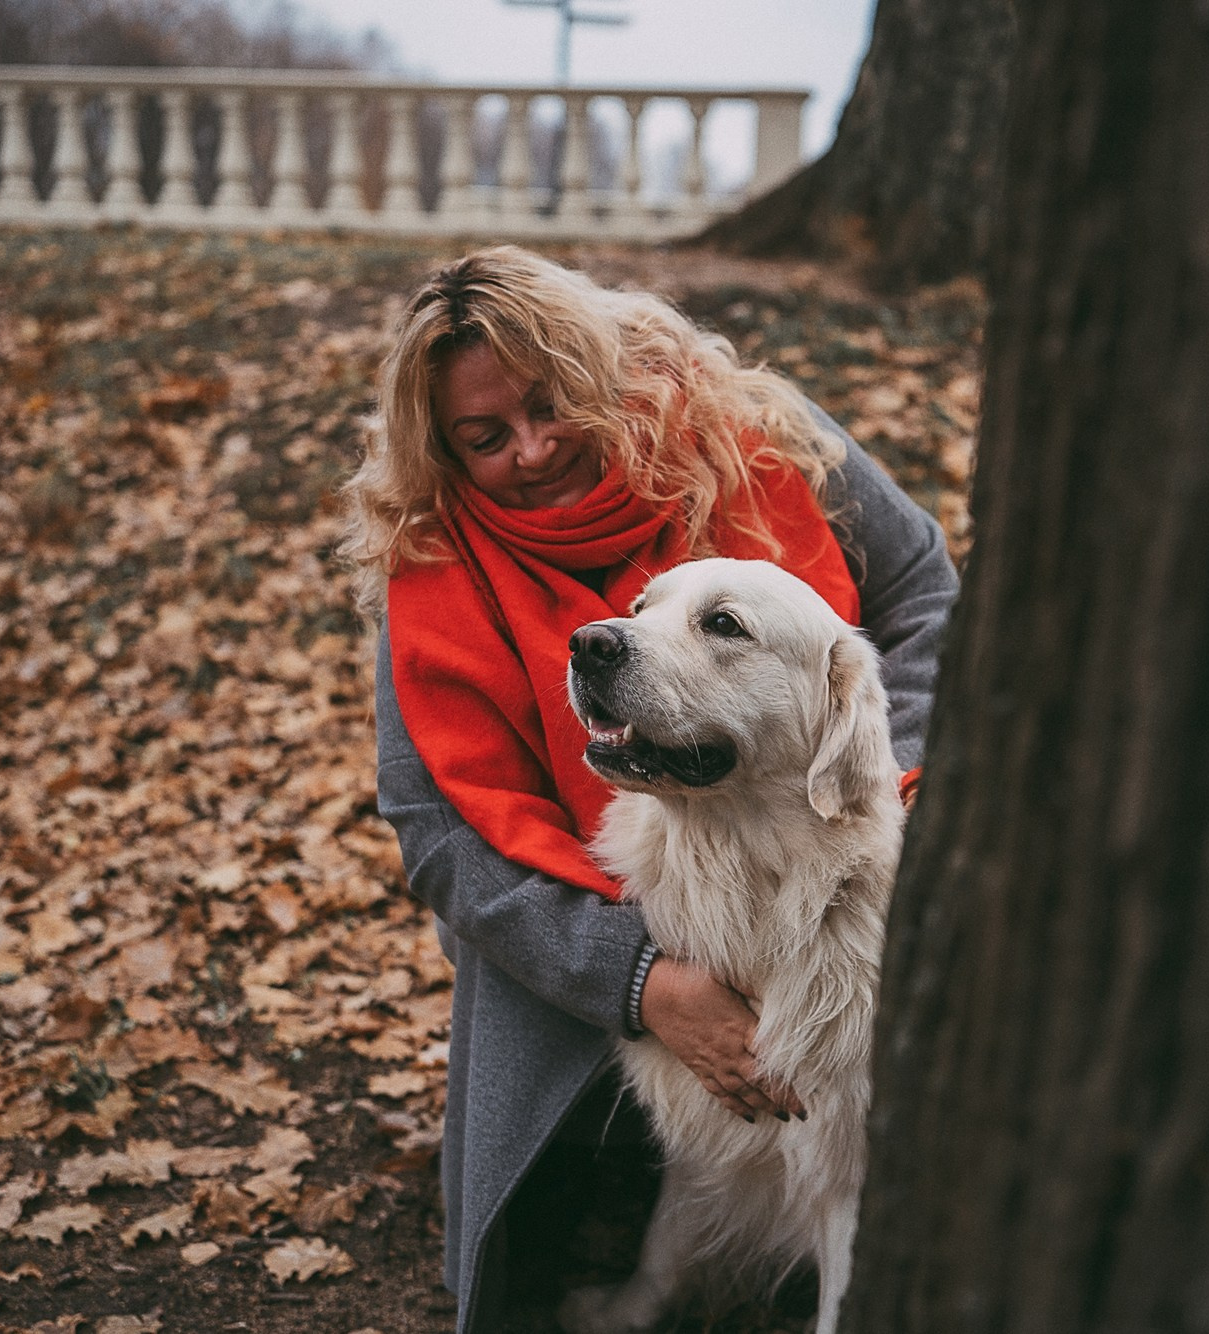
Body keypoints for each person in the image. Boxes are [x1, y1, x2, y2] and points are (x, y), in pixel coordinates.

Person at [343, 246, 957, 1332]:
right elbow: (440, 840)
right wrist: (641, 982)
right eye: (485, 438)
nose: (531, 449)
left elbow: (924, 596)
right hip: (587, 907)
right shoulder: (431, 560)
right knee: (546, 1239)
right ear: (444, 452)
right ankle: (599, 1190)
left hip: (819, 838)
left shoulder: (749, 430)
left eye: (549, 404)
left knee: (867, 1130)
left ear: (600, 372)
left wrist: (866, 757)